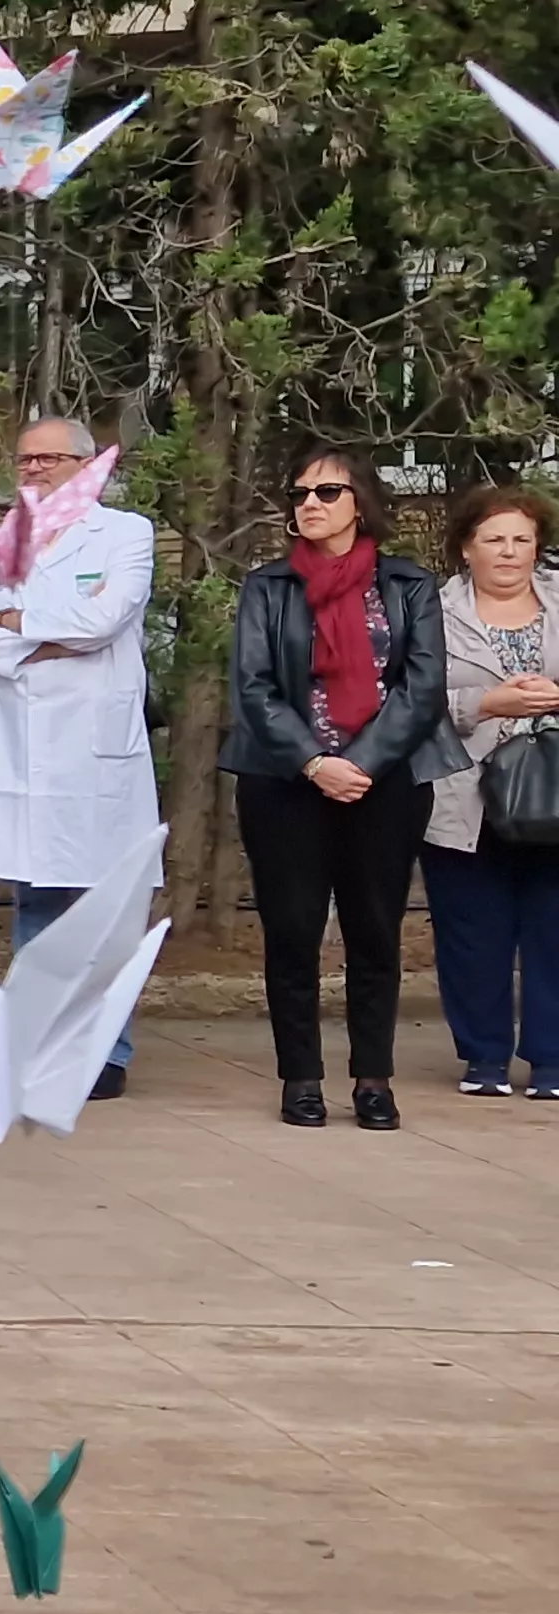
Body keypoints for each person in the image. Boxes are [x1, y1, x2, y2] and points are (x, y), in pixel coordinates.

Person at [226, 444, 457, 1131]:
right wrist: (313, 762)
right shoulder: (268, 587)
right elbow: (255, 687)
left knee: (374, 933)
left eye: (327, 492)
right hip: (285, 781)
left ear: (362, 501)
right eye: (300, 494)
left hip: (383, 783)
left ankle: (373, 1080)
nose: (311, 505)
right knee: (293, 932)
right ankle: (301, 1078)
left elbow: (422, 687)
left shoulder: (408, 585)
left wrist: (363, 762)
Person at [0, 419, 157, 1099]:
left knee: (104, 905)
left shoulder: (126, 534)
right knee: (35, 900)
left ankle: (106, 1049)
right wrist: (43, 634)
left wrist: (16, 618)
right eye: (25, 458)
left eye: (49, 458)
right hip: (20, 746)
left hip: (95, 754)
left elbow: (104, 623)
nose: (33, 469)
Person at [423, 484, 559, 1098]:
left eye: (521, 540)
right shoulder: (430, 610)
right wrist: (485, 703)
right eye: (494, 539)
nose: (509, 552)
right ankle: (483, 1059)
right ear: (466, 548)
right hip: (463, 793)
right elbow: (407, 698)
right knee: (472, 932)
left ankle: (553, 1061)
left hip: (555, 791)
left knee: (554, 929)